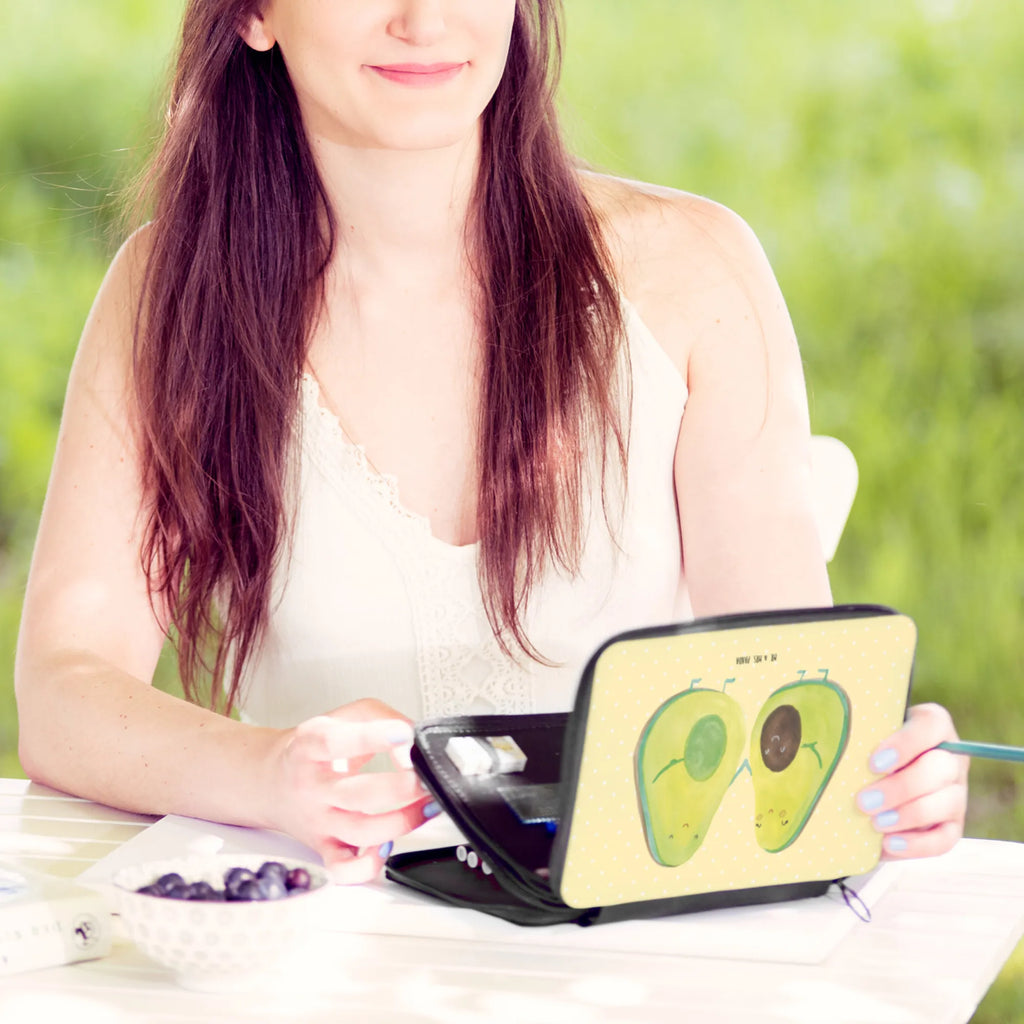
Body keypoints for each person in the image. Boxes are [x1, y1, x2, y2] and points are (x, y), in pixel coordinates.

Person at [14, 0, 967, 884]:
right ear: (256, 13)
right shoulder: (175, 294)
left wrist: (887, 776)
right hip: (321, 943)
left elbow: (792, 696)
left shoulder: (692, 275)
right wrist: (268, 771)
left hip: (641, 945)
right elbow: (63, 696)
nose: (424, 20)